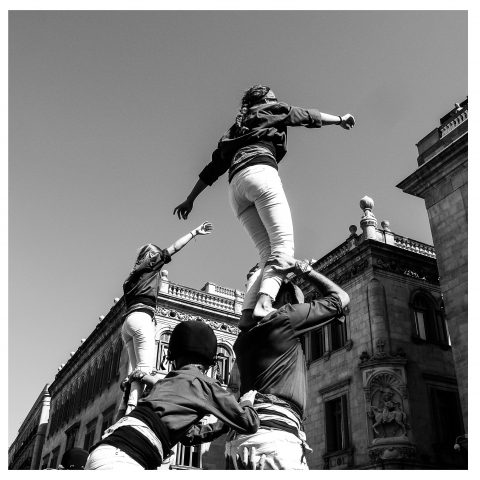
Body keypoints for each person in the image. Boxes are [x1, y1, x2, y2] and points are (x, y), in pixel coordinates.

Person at [173, 85, 355, 320]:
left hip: (236, 189)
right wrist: (341, 119)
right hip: (260, 175)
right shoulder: (272, 109)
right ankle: (264, 303)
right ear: (266, 98)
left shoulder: (235, 129)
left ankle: (247, 315)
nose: (276, 98)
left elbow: (213, 168)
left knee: (266, 253)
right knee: (283, 247)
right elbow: (308, 116)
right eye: (273, 95)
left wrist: (190, 199)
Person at [224, 255, 350, 469]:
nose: (301, 309)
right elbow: (341, 298)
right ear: (285, 301)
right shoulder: (285, 317)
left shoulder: (244, 336)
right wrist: (303, 270)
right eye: (298, 303)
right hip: (274, 441)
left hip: (238, 444)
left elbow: (247, 314)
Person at [85, 320, 260, 470]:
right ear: (210, 362)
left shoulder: (166, 384)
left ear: (173, 357)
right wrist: (247, 402)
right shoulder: (203, 383)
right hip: (126, 458)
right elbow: (249, 423)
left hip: (103, 451)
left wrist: (222, 425)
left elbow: (189, 435)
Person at [120, 222, 213, 416]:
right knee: (145, 368)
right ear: (149, 256)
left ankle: (124, 407)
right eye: (154, 255)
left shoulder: (130, 279)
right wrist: (194, 232)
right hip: (141, 318)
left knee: (135, 370)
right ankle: (132, 409)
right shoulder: (151, 263)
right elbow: (175, 248)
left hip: (127, 323)